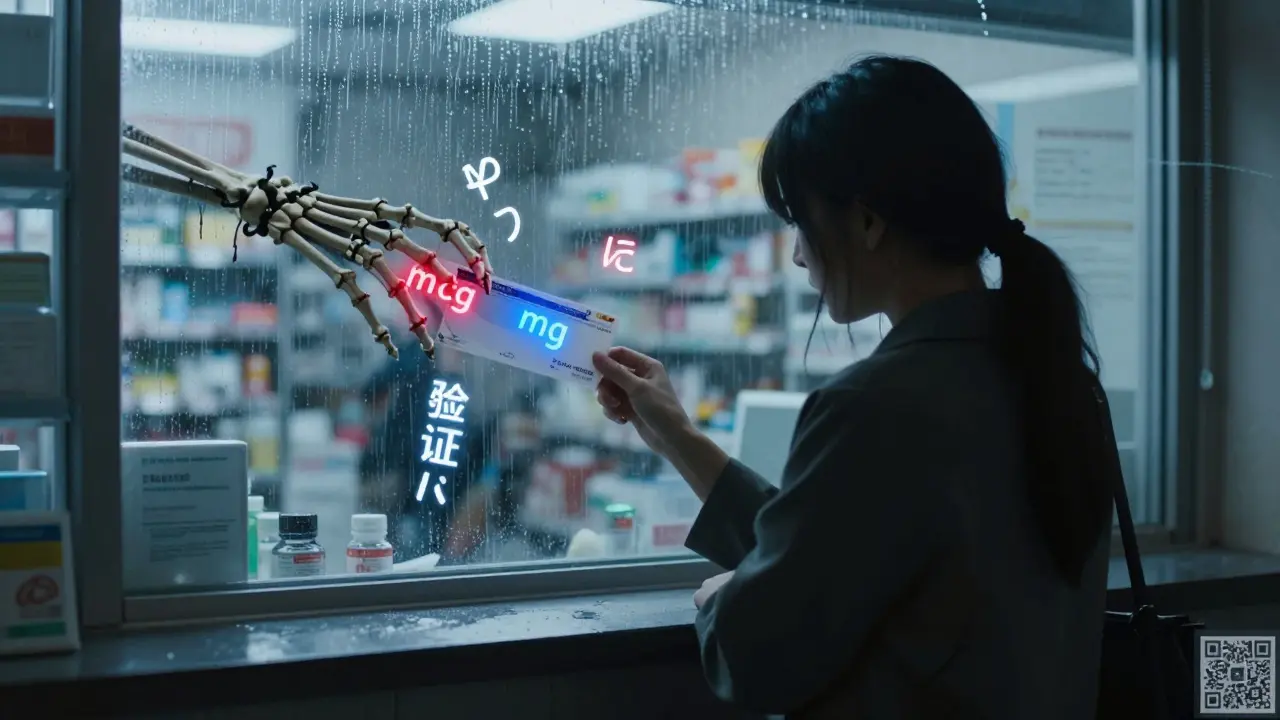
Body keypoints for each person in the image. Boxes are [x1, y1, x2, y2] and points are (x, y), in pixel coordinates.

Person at [592, 55, 1120, 719]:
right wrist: (676, 433)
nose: (797, 253)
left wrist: (721, 599)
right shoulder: (1059, 379)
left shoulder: (879, 406)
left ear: (868, 222)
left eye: (799, 220)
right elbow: (842, 551)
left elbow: (758, 658)